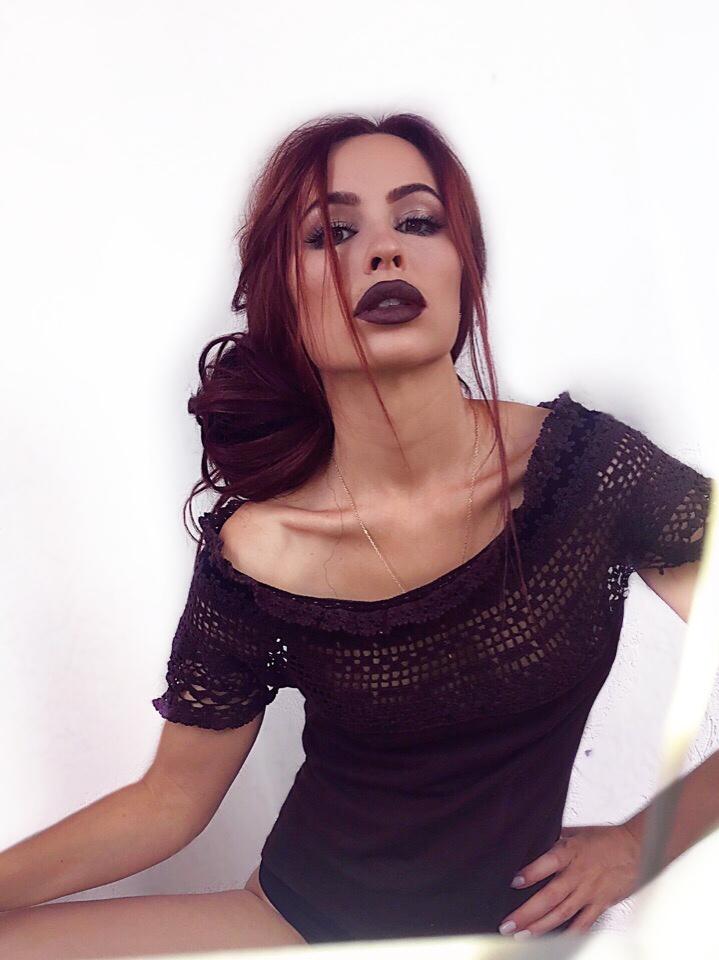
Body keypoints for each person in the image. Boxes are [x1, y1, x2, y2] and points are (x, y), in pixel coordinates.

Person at [1, 113, 711, 955]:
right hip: (290, 924)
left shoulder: (587, 471)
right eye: (331, 233)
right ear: (282, 298)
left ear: (463, 269)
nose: (383, 251)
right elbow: (168, 802)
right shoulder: (259, 551)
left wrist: (640, 844)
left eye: (417, 221)